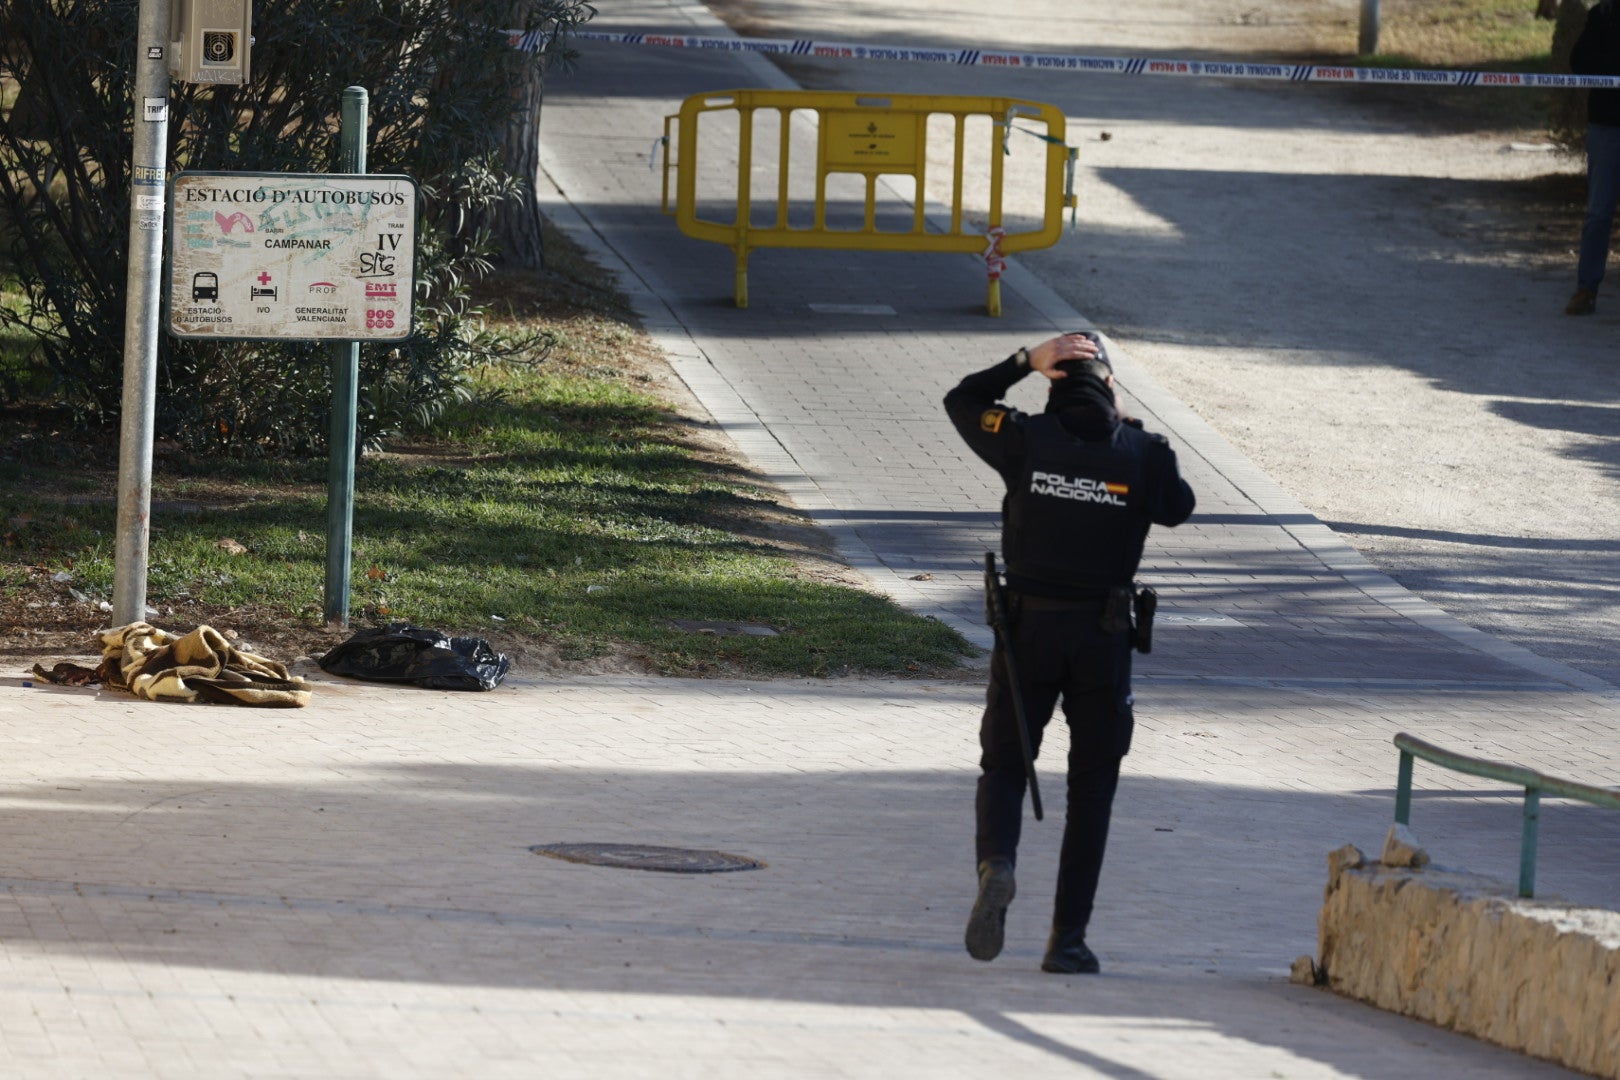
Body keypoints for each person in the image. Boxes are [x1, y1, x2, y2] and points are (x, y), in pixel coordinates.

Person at [943, 331, 1195, 974]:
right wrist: (1131, 435)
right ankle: (1067, 942)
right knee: (1092, 788)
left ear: (1055, 382)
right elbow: (1180, 507)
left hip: (1026, 631)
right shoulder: (1142, 453)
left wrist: (1024, 361)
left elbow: (962, 398)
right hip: (1102, 640)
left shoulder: (1024, 438)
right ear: (1111, 386)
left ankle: (998, 862)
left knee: (1004, 765)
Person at [1567, 0, 1620, 316]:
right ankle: (1586, 289)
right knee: (1599, 213)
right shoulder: (1603, 14)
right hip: (1607, 129)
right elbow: (1580, 61)